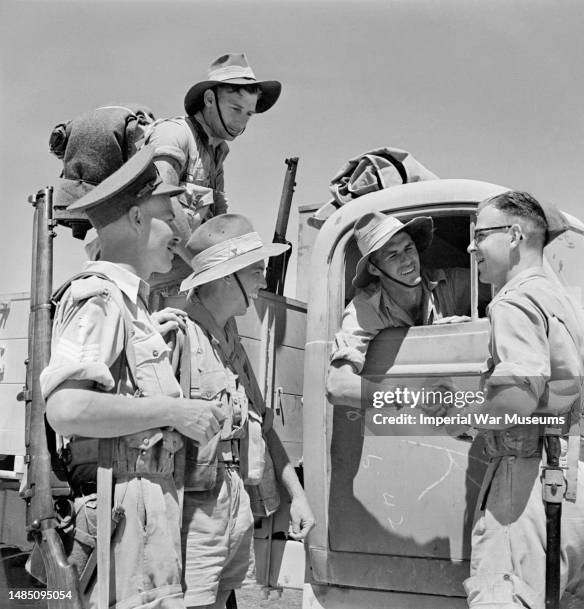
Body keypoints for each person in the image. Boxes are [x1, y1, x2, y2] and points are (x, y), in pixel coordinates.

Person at [40, 146, 226, 609]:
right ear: (139, 218)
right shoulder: (100, 297)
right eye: (169, 215)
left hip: (144, 515)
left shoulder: (130, 307)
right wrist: (175, 410)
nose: (179, 231)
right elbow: (66, 408)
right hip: (123, 520)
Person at [458, 190, 584, 608]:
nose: (471, 247)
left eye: (479, 235)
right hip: (582, 489)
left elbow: (517, 400)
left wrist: (463, 418)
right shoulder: (566, 304)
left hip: (531, 487)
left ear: (513, 235)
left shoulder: (513, 300)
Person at [176, 214, 315, 608]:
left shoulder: (230, 338)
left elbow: (263, 423)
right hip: (193, 513)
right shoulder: (179, 336)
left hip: (232, 500)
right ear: (225, 278)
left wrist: (298, 497)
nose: (262, 281)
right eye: (255, 271)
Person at [326, 210, 473, 408]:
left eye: (409, 248)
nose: (407, 260)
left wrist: (470, 325)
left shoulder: (450, 283)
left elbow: (505, 290)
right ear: (374, 269)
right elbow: (338, 385)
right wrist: (415, 397)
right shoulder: (365, 309)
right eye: (393, 255)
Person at [144, 52, 281, 262]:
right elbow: (161, 203)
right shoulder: (174, 134)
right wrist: (203, 266)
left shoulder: (216, 153)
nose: (242, 121)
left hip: (184, 281)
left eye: (249, 113)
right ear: (209, 99)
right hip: (158, 283)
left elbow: (218, 224)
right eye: (236, 108)